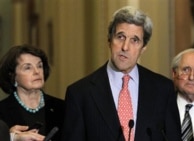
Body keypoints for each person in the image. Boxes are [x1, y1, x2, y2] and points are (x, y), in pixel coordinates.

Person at [61, 6, 181, 141]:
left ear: (143, 48)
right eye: (120, 37)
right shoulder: (80, 94)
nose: (125, 47)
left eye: (134, 40)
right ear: (109, 40)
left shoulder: (163, 89)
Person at [0, 44, 65, 141]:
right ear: (13, 76)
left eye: (39, 66)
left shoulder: (62, 107)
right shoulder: (2, 111)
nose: (37, 72)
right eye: (27, 68)